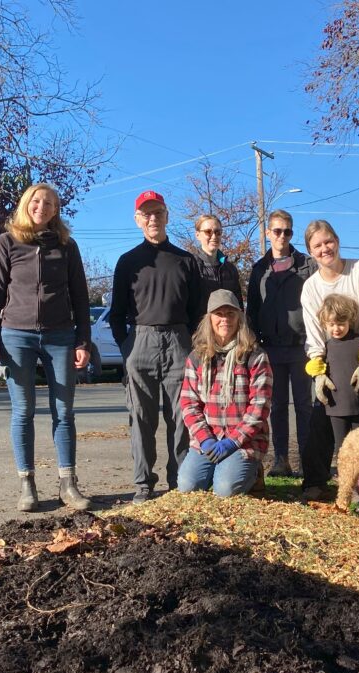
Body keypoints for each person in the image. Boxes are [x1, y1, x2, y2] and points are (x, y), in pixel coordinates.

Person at [0, 183, 92, 513]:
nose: (42, 206)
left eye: (49, 203)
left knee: (64, 411)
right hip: (17, 336)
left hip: (60, 337)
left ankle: (68, 484)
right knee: (23, 410)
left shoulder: (67, 247)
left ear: (56, 210)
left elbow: (81, 299)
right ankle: (27, 484)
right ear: (26, 204)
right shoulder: (7, 243)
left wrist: (82, 341)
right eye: (36, 201)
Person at [109, 190, 201, 504]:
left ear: (167, 216)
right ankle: (144, 484)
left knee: (181, 417)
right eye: (146, 214)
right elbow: (116, 313)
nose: (152, 219)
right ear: (138, 220)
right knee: (141, 418)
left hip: (179, 342)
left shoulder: (186, 260)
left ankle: (178, 482)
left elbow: (198, 311)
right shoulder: (127, 262)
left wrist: (189, 344)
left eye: (158, 212)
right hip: (141, 342)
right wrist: (128, 349)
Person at [299, 219, 359, 500]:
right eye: (317, 246)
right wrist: (318, 371)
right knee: (322, 423)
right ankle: (317, 480)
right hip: (331, 359)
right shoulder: (311, 287)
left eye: (328, 241)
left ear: (337, 240)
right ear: (310, 251)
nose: (325, 249)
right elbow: (313, 333)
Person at [178, 289, 273, 497]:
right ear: (209, 319)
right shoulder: (197, 357)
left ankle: (253, 472)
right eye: (219, 314)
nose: (225, 320)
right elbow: (188, 403)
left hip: (243, 442)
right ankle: (218, 469)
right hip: (208, 439)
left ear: (239, 318)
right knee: (187, 487)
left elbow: (260, 407)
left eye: (230, 314)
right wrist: (205, 439)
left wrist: (233, 441)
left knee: (225, 490)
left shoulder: (255, 356)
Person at [246, 209, 315, 477]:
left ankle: (308, 460)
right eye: (277, 231)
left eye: (287, 231)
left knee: (304, 406)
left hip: (301, 348)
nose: (282, 236)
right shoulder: (259, 269)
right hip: (270, 349)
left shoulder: (307, 265)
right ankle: (281, 460)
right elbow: (252, 309)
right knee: (276, 407)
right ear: (268, 233)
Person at [315, 294, 359, 459]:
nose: (336, 328)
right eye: (331, 324)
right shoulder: (325, 348)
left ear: (349, 321)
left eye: (341, 324)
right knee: (342, 447)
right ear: (324, 324)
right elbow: (320, 373)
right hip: (335, 407)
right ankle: (345, 479)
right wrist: (316, 375)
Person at [191, 214, 243, 321]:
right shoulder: (190, 266)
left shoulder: (230, 269)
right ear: (197, 235)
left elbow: (239, 306)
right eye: (208, 232)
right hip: (200, 332)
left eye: (218, 232)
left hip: (227, 330)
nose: (214, 236)